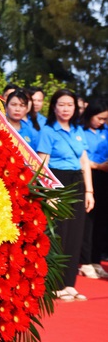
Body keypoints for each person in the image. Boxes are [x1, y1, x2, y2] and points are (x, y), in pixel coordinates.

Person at [37, 89, 95, 301]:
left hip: (77, 182)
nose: (65, 109)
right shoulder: (48, 131)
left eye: (70, 105)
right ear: (54, 107)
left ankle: (69, 283)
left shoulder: (78, 130)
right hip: (56, 182)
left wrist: (89, 190)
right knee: (58, 233)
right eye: (61, 104)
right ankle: (54, 284)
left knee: (75, 233)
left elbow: (84, 162)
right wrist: (48, 192)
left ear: (75, 108)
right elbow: (42, 164)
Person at [79, 97, 108, 279]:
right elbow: (81, 158)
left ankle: (96, 260)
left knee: (102, 221)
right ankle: (85, 261)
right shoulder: (80, 130)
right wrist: (97, 166)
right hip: (87, 176)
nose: (102, 122)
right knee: (87, 220)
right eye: (99, 118)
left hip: (105, 177)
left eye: (105, 119)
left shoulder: (105, 131)